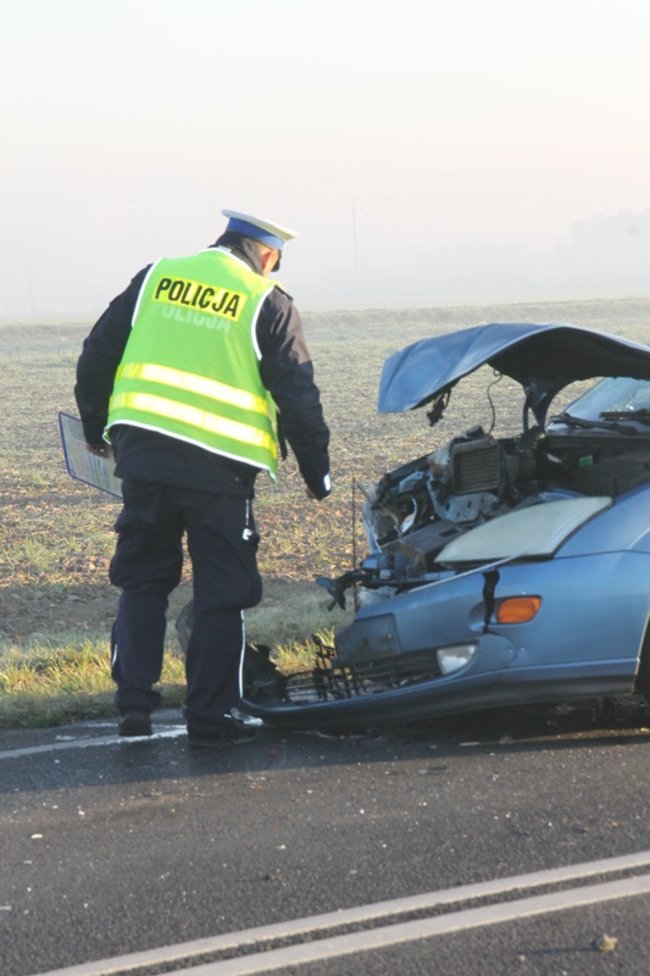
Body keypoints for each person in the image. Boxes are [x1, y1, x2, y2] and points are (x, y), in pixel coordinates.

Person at [75, 209, 331, 747]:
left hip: (142, 458)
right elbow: (298, 393)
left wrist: (97, 428)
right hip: (219, 469)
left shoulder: (157, 276)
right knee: (223, 591)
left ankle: (134, 707)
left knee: (143, 581)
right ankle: (211, 720)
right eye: (276, 262)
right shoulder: (267, 300)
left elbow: (97, 354)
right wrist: (317, 472)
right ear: (267, 254)